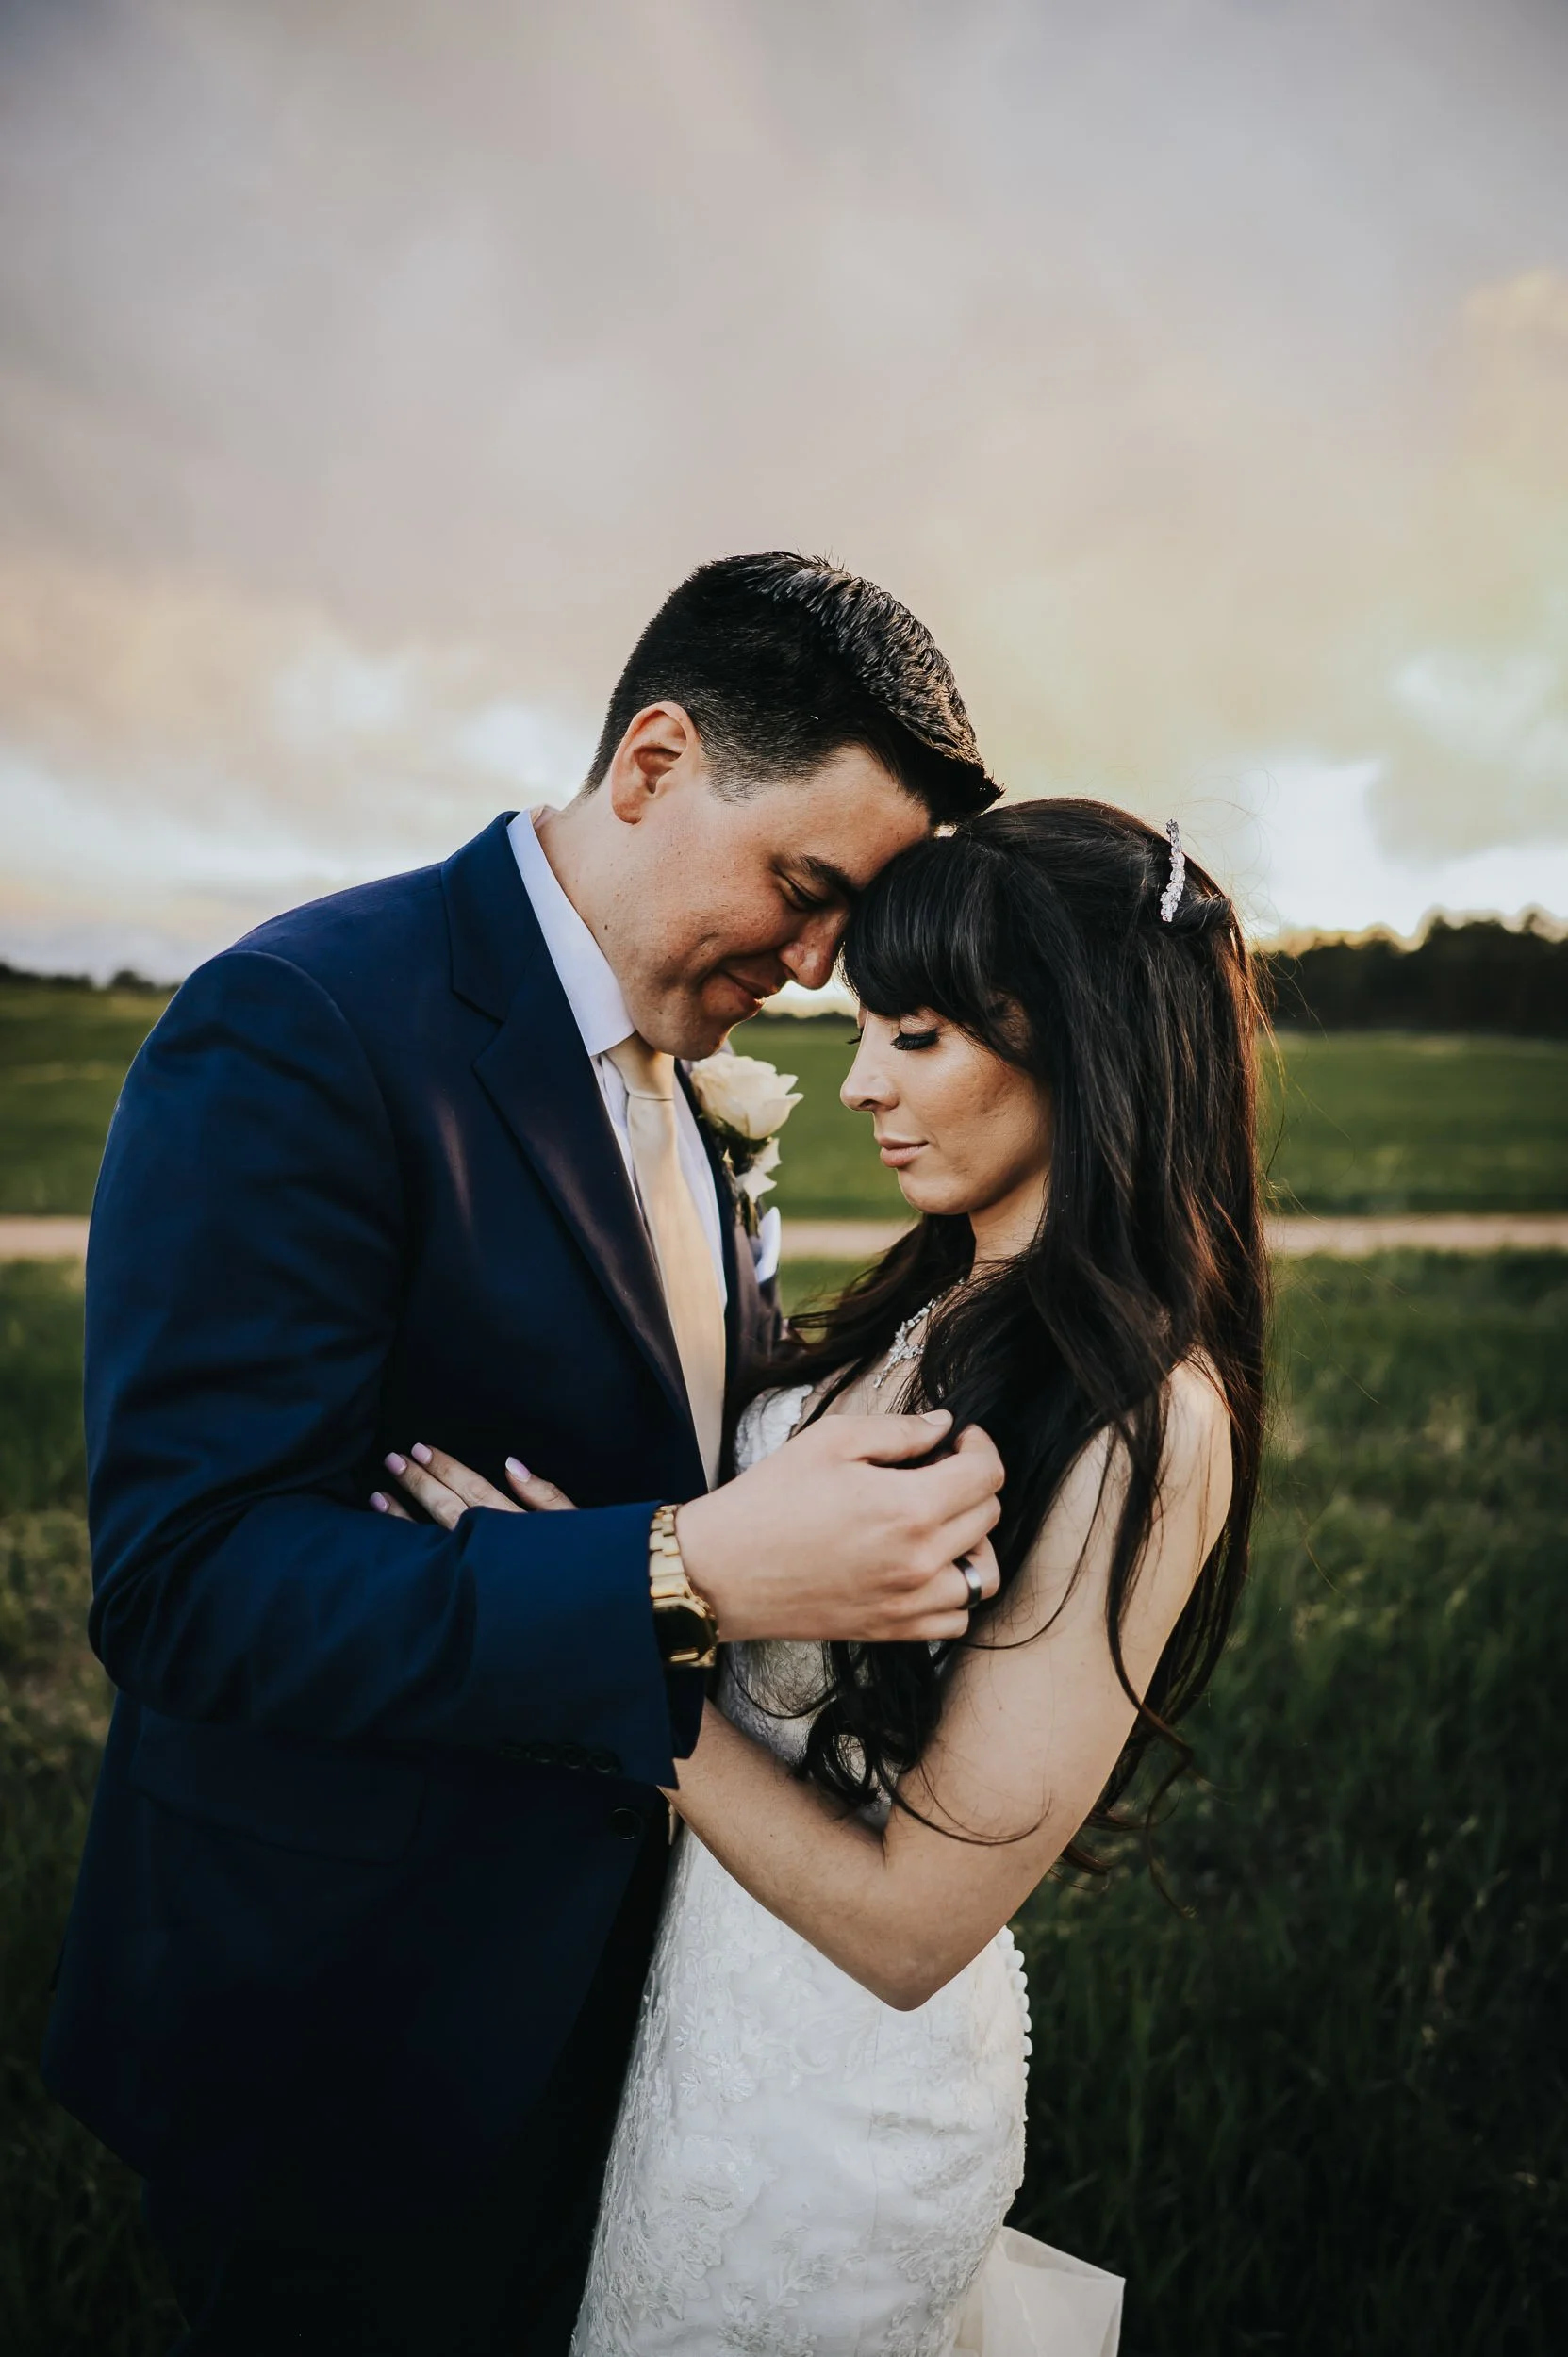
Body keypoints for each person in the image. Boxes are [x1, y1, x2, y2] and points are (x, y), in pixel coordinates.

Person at [40, 552, 1005, 2355]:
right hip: (348, 2019)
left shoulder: (691, 1073)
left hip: (619, 2003)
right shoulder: (303, 1026)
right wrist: (680, 1569)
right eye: (805, 892)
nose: (814, 971)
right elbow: (188, 1586)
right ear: (652, 760)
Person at [388, 799, 1268, 2355]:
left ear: (1087, 1044)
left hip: (834, 2108)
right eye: (866, 1025)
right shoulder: (943, 1293)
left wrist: (584, 1630)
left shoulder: (1144, 1415)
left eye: (914, 1035)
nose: (858, 1081)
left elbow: (909, 1924)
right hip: (694, 2017)